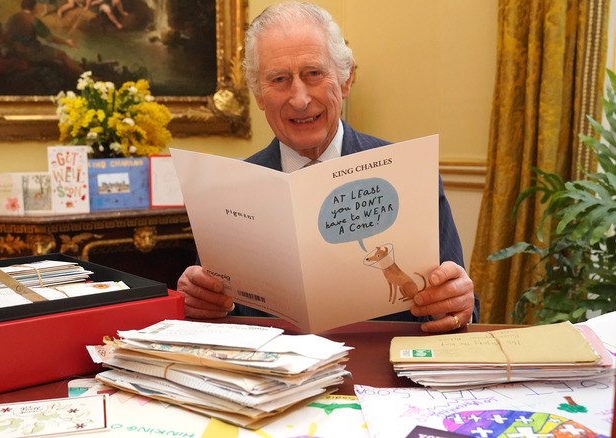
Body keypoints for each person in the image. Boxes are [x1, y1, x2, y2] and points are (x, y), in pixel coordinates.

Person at [176, 1, 479, 333]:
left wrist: (456, 305)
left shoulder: (410, 176)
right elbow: (212, 313)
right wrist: (195, 302)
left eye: (314, 74)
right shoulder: (229, 190)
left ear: (345, 80)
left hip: (380, 373)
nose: (300, 99)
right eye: (279, 79)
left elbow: (461, 313)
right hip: (272, 378)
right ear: (259, 95)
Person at [4, 0, 84, 79]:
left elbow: (5, 34)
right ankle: (87, 77)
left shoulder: (13, 17)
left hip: (16, 51)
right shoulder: (34, 20)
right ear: (35, 7)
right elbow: (50, 38)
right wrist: (66, 42)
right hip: (33, 52)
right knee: (62, 54)